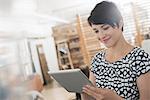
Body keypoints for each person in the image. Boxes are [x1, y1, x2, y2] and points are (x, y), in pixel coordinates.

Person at [81, 1, 150, 100]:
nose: (101, 36)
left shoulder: (139, 58)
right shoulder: (97, 60)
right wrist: (85, 93)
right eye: (96, 31)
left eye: (105, 28)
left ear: (120, 23)